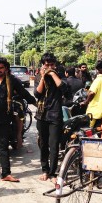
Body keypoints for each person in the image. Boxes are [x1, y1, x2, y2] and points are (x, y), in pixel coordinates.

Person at [34, 52, 67, 183]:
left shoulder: (59, 76)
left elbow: (63, 88)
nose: (49, 67)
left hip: (55, 115)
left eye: (52, 65)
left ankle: (53, 173)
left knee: (54, 145)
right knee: (43, 144)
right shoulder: (38, 77)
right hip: (42, 115)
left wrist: (53, 74)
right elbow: (37, 93)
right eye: (47, 65)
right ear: (42, 65)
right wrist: (42, 77)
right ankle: (45, 170)